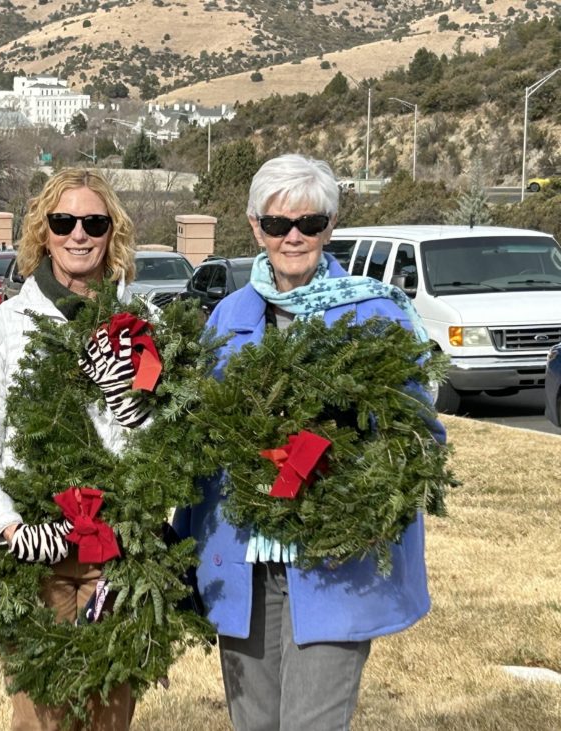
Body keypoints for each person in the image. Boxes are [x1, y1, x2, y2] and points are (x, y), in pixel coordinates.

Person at [173, 153, 446, 731]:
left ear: (330, 226)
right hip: (245, 565)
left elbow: (418, 434)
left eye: (310, 223)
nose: (293, 237)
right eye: (277, 224)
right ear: (255, 228)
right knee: (254, 723)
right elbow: (199, 435)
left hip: (332, 564)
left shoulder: (376, 313)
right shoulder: (227, 317)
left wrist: (350, 478)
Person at [0, 168, 141, 730]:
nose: (79, 234)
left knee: (108, 714)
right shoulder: (1, 326)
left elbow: (160, 440)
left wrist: (123, 394)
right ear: (43, 232)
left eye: (95, 222)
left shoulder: (142, 327)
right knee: (40, 717)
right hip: (33, 554)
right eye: (64, 222)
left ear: (113, 232)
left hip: (117, 551)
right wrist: (9, 528)